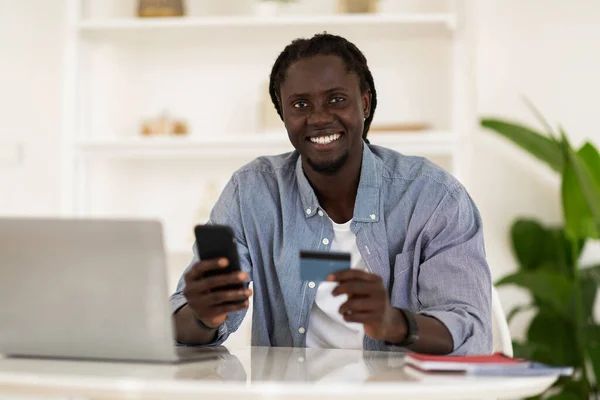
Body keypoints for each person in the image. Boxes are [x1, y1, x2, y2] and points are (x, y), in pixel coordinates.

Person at [171, 33, 492, 355]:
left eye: (336, 99)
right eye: (300, 105)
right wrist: (204, 316)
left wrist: (393, 323)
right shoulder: (253, 192)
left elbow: (470, 330)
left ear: (364, 103)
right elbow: (179, 325)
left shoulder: (433, 197)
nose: (320, 118)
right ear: (283, 115)